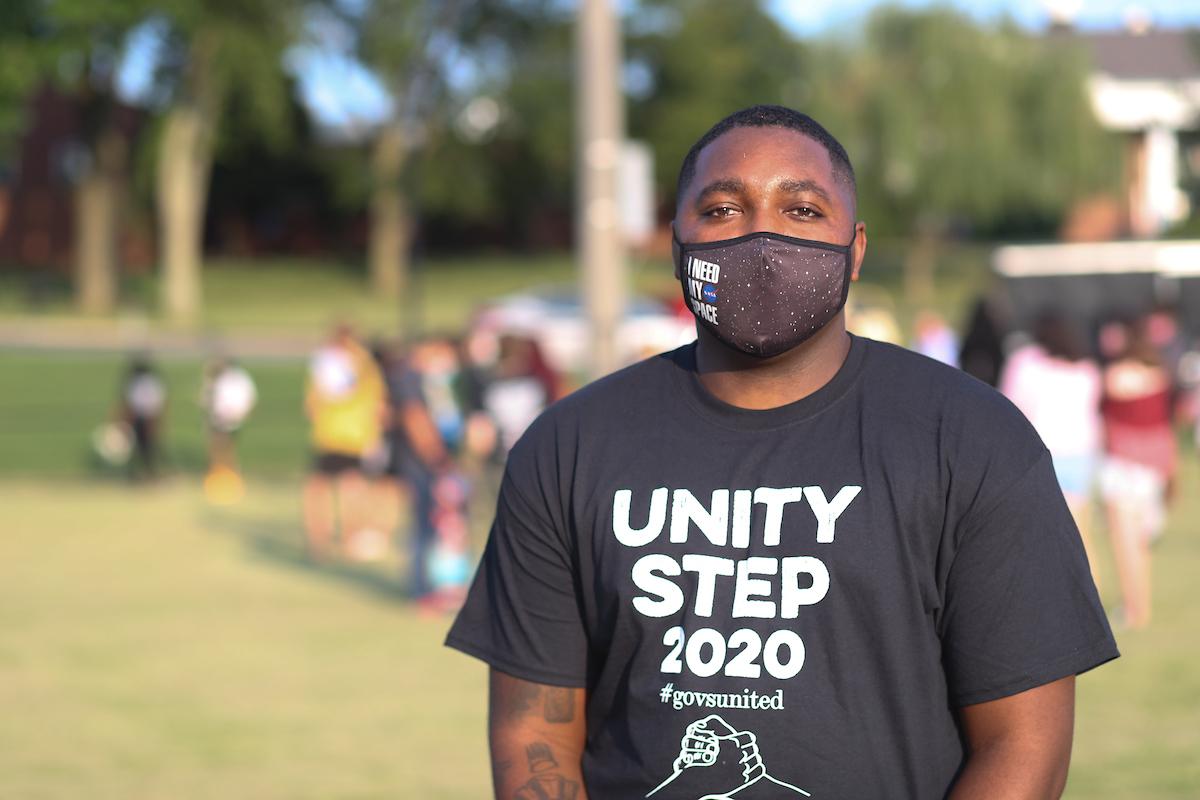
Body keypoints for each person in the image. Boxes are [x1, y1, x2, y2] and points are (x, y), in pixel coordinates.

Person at [446, 105, 1118, 799]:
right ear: (677, 244)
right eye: (723, 208)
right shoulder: (568, 447)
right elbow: (535, 732)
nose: (762, 237)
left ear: (855, 250)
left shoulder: (974, 441)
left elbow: (1023, 745)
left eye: (801, 210)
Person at [1000, 311, 1103, 587]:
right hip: (1080, 452)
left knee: (1036, 533)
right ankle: (1090, 596)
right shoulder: (1085, 366)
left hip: (1040, 452)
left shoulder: (1025, 362)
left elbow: (1011, 405)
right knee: (1081, 533)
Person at [1097, 317, 1176, 629]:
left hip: (1124, 463)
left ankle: (1133, 608)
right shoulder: (1161, 378)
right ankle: (1141, 603)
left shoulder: (1117, 375)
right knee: (1142, 542)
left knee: (1125, 542)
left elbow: (1107, 410)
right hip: (1154, 464)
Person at [302, 325, 386, 561]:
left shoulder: (327, 365)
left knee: (323, 491)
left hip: (333, 434)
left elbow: (311, 405)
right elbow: (378, 403)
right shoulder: (366, 365)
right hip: (354, 436)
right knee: (350, 489)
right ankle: (348, 539)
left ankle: (321, 541)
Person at [200, 357, 257, 504]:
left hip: (227, 420)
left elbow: (246, 400)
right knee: (221, 450)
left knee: (224, 451)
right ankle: (219, 479)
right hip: (224, 419)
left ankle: (227, 480)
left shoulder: (234, 380)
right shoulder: (229, 379)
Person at [118, 355, 167, 480]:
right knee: (140, 448)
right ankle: (141, 474)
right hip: (141, 418)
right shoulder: (145, 382)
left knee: (148, 449)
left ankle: (150, 474)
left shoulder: (143, 383)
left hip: (146, 418)